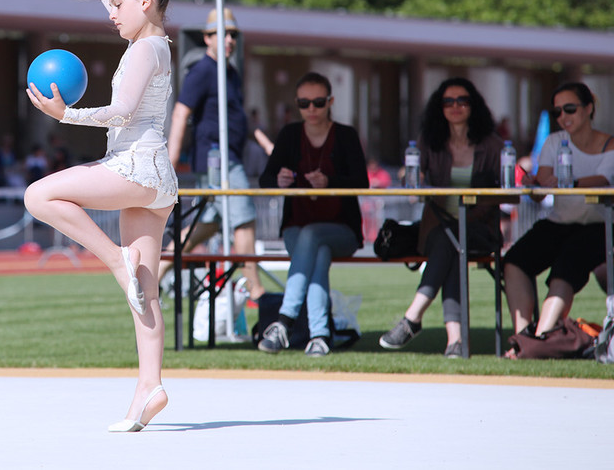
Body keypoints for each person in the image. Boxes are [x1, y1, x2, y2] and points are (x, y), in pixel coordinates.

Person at [24, 0, 179, 432]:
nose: (110, 13)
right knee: (145, 288)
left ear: (145, 1)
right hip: (156, 180)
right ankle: (149, 388)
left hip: (135, 168)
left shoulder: (143, 51)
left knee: (38, 196)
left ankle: (114, 260)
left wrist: (65, 115)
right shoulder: (154, 42)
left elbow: (122, 112)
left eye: (117, 5)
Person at [378, 77, 505, 358]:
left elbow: (507, 187)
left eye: (462, 100)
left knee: (453, 241)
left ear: (473, 105)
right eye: (448, 101)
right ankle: (454, 343)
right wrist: (411, 175)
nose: (455, 106)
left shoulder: (492, 144)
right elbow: (412, 177)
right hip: (438, 229)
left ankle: (414, 318)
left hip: (480, 229)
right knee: (451, 243)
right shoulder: (429, 141)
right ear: (440, 107)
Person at [257, 72, 369, 357]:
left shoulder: (345, 135)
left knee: (313, 235)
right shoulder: (289, 135)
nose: (311, 109)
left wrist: (330, 182)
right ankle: (319, 336)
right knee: (317, 254)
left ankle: (284, 323)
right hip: (296, 227)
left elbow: (362, 182)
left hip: (341, 229)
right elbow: (265, 179)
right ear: (297, 103)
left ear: (330, 101)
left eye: (318, 102)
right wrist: (278, 180)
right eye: (304, 103)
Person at [161, 7, 266, 301]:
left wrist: (268, 145)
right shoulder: (203, 71)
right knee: (243, 219)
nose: (230, 39)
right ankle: (255, 291)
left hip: (226, 158)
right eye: (223, 34)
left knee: (207, 225)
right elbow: (180, 114)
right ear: (207, 38)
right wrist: (169, 166)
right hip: (218, 161)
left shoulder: (230, 73)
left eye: (233, 34)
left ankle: (155, 273)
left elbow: (242, 120)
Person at [503, 82, 614, 351]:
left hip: (600, 225)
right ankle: (524, 338)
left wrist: (568, 183)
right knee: (514, 261)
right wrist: (534, 185)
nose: (563, 116)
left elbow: (602, 180)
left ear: (589, 108)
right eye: (557, 112)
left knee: (564, 270)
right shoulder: (554, 142)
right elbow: (543, 187)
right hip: (560, 222)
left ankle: (539, 341)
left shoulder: (609, 144)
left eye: (570, 109)